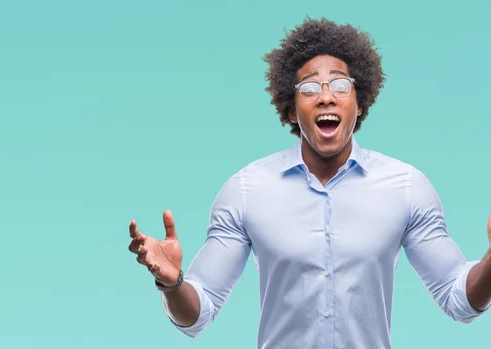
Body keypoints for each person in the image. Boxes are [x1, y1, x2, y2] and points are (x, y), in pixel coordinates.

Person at [127, 17, 491, 349]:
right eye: (309, 88)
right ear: (290, 108)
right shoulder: (245, 191)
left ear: (359, 102)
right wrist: (173, 284)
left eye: (339, 85)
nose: (326, 96)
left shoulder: (407, 188)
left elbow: (459, 299)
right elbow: (198, 312)